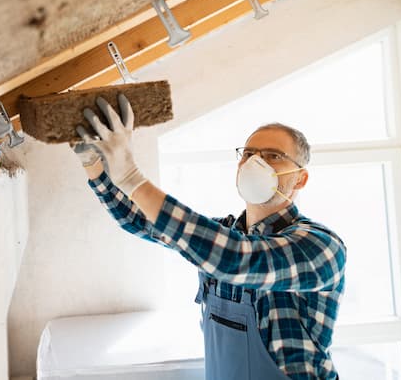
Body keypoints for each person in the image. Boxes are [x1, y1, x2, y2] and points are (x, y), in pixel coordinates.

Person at [73, 94, 346, 380]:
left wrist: (132, 177)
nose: (255, 163)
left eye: (272, 156)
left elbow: (235, 259)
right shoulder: (222, 235)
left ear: (300, 178)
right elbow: (139, 220)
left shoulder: (321, 247)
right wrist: (93, 164)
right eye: (249, 154)